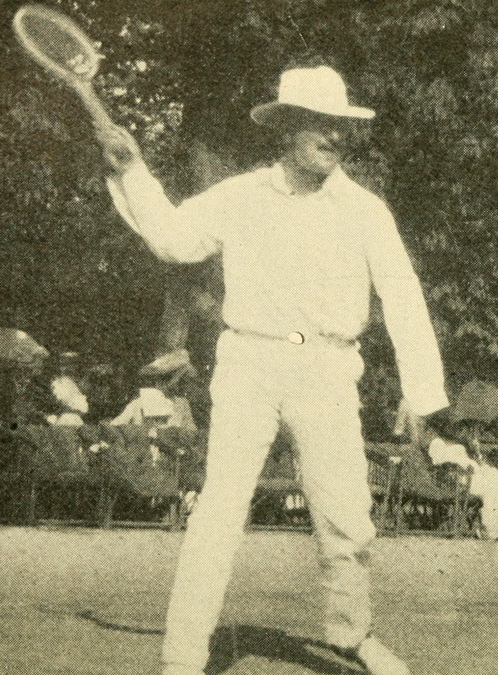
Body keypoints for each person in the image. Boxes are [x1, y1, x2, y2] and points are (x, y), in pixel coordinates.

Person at [95, 65, 449, 675]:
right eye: (318, 123)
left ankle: (351, 634)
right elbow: (173, 240)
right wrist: (132, 170)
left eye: (340, 126)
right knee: (217, 515)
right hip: (249, 365)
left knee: (346, 520)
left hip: (328, 370)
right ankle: (182, 657)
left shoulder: (366, 211)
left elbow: (404, 297)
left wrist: (424, 397)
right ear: (285, 129)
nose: (333, 136)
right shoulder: (239, 196)